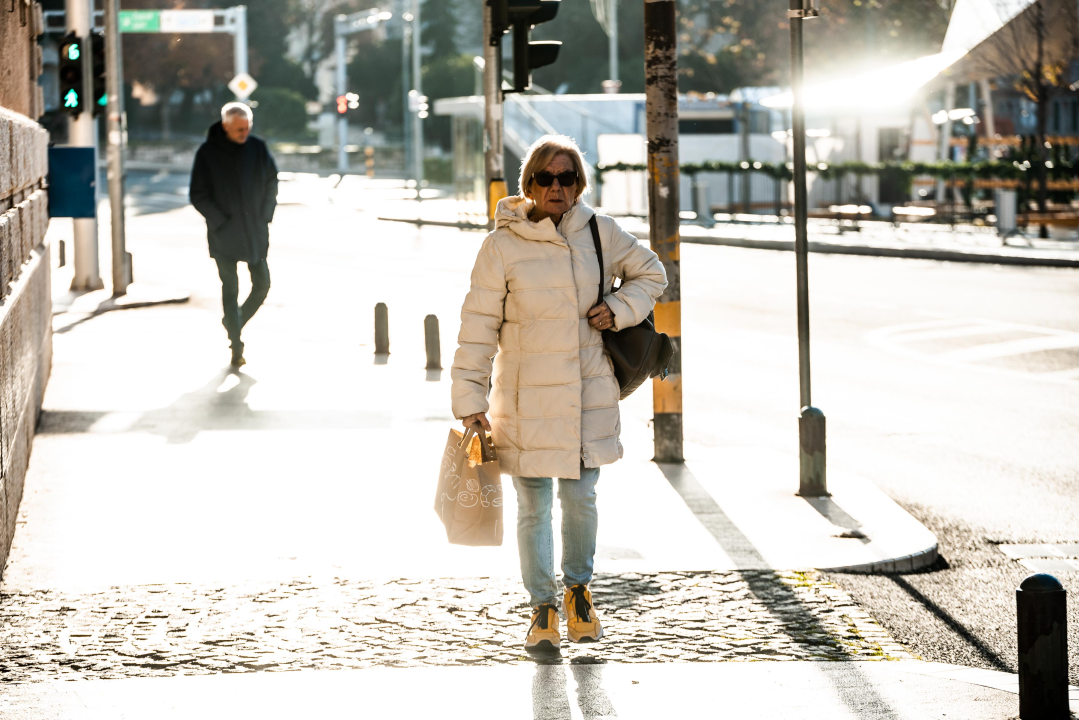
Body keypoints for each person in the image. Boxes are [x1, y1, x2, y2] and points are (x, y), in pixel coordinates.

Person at [450, 135, 667, 653]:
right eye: (546, 177)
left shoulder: (600, 232)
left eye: (566, 177)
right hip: (523, 399)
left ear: (578, 185)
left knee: (580, 498)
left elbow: (652, 273)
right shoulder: (501, 244)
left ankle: (579, 593)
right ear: (529, 183)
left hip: (587, 392)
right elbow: (477, 326)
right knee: (533, 507)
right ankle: (542, 607)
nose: (556, 186)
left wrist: (619, 309)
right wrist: (469, 401)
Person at [190, 102, 278, 367]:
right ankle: (236, 345)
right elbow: (198, 194)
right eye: (239, 129)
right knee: (231, 289)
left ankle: (233, 321)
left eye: (247, 128)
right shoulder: (208, 152)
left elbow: (272, 180)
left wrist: (265, 214)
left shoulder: (257, 147)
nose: (244, 133)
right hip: (224, 234)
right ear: (226, 126)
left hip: (255, 231)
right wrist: (220, 220)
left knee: (262, 284)